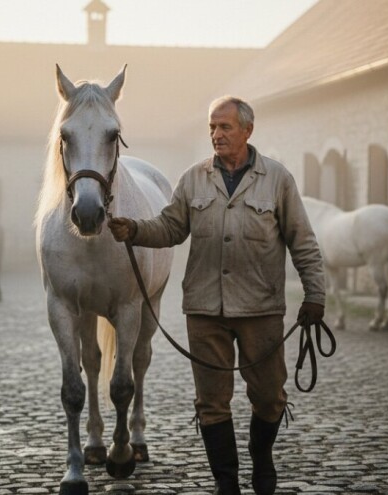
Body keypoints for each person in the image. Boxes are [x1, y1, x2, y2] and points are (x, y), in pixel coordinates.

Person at [108, 96, 326, 495]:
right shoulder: (193, 179)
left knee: (269, 397)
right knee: (211, 403)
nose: (216, 134)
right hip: (205, 310)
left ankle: (261, 459)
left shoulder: (278, 179)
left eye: (225, 127)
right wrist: (135, 230)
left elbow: (303, 241)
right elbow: (170, 228)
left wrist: (315, 295)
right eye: (212, 127)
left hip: (260, 309)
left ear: (247, 130)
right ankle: (226, 483)